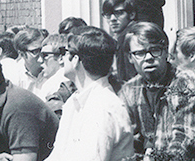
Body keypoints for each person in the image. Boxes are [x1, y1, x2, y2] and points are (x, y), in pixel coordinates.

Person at [118, 22, 195, 159]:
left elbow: (186, 144)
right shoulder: (129, 91)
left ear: (166, 51)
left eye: (155, 50)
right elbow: (127, 141)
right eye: (140, 53)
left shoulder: (189, 85)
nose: (148, 58)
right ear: (130, 57)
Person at [47, 26, 133, 161]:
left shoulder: (103, 108)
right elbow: (57, 156)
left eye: (65, 51)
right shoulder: (73, 103)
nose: (62, 57)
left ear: (75, 59)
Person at [30, 34, 73, 114]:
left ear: (61, 58)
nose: (40, 60)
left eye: (45, 55)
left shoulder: (53, 83)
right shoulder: (72, 78)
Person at [101, 0, 138, 83]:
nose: (112, 19)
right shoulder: (120, 38)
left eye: (118, 13)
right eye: (108, 14)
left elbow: (128, 79)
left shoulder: (131, 36)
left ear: (132, 14)